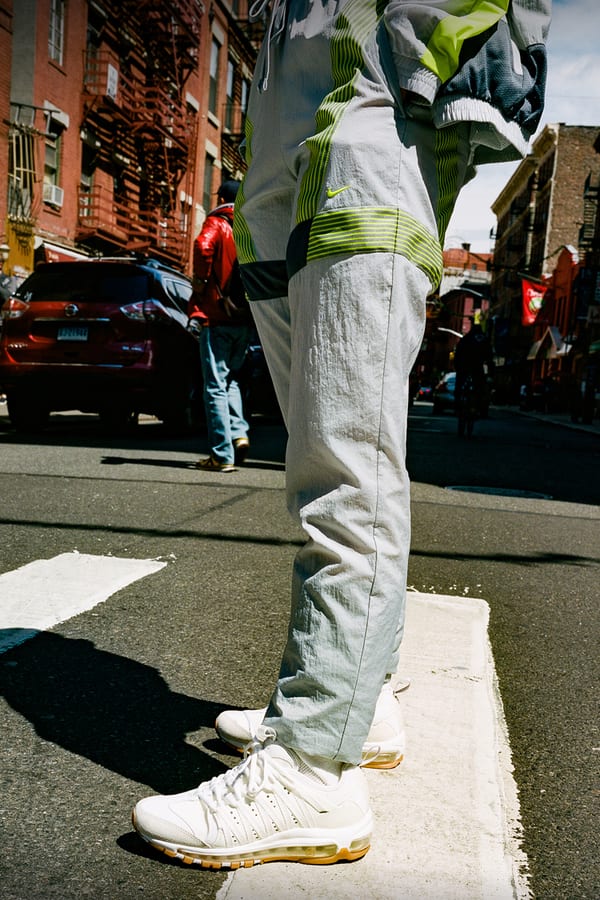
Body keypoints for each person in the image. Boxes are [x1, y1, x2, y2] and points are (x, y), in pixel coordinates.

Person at [133, 0, 551, 869]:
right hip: (288, 159)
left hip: (371, 131)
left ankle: (314, 767)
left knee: (344, 472)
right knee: (319, 458)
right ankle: (360, 706)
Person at [189, 179, 253, 473]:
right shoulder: (249, 223)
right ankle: (239, 434)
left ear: (223, 197)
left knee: (214, 386)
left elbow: (203, 246)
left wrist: (201, 283)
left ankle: (220, 454)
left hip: (216, 315)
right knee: (232, 382)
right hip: (244, 317)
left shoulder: (217, 221)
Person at [454, 322, 494, 417]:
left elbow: (458, 354)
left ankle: (458, 406)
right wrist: (491, 372)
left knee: (459, 386)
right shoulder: (485, 340)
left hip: (464, 367)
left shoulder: (465, 339)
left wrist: (457, 367)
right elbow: (489, 357)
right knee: (480, 387)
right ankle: (477, 407)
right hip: (477, 367)